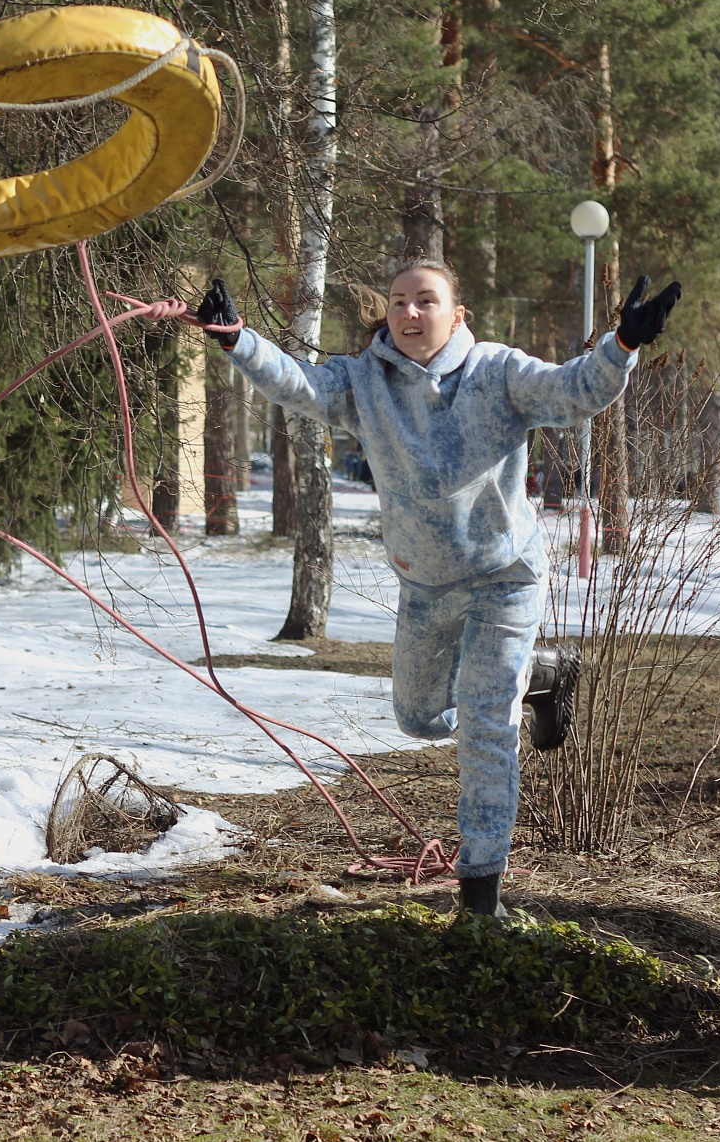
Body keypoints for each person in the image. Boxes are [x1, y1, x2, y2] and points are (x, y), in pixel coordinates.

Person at [197, 259, 681, 917]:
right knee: (419, 717)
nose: (410, 312)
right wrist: (236, 338)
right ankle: (540, 676)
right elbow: (297, 383)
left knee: (484, 721)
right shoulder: (362, 382)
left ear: (458, 315)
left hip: (504, 579)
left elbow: (574, 392)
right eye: (399, 302)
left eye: (426, 300)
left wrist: (620, 346)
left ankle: (482, 900)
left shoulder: (498, 373)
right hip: (424, 585)